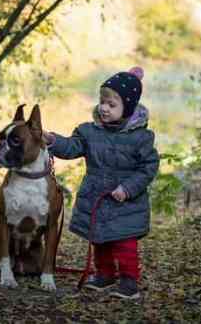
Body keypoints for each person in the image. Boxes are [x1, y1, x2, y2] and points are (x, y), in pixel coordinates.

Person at [43, 66, 160, 299]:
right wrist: (53, 140)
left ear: (127, 108)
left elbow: (148, 168)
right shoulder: (89, 132)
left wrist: (127, 188)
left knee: (124, 243)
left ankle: (129, 282)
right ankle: (104, 274)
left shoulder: (140, 138)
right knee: (100, 240)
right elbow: (72, 147)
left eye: (112, 105)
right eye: (102, 102)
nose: (104, 108)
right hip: (96, 196)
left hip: (125, 202)